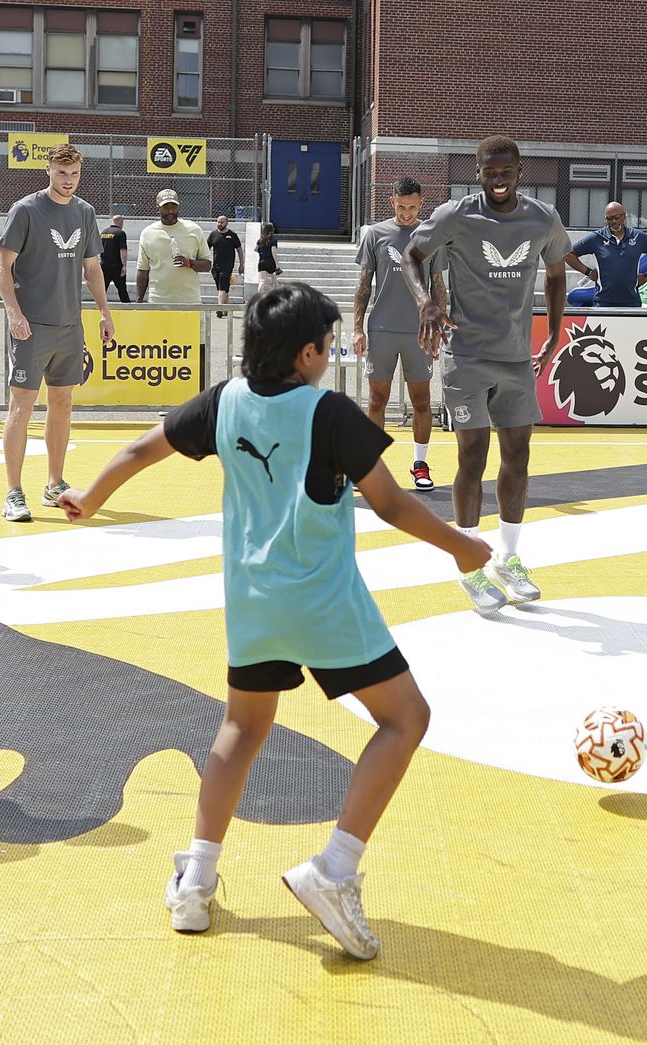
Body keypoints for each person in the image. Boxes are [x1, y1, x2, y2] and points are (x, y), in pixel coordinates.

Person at [58, 282, 492, 957]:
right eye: (329, 343)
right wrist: (461, 545)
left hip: (254, 602)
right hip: (323, 602)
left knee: (241, 728)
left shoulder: (224, 403)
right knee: (406, 719)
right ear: (310, 352)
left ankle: (196, 881)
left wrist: (89, 494)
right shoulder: (330, 412)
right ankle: (335, 868)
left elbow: (143, 449)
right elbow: (391, 503)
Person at [403, 136, 571, 616]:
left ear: (520, 171)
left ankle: (510, 559)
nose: (498, 180)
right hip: (467, 356)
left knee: (518, 454)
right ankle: (469, 561)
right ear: (477, 172)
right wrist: (426, 302)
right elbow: (410, 257)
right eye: (489, 172)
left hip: (516, 356)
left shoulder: (542, 218)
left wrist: (554, 331)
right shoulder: (456, 215)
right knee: (472, 455)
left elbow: (555, 272)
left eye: (506, 172)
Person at [0, 142, 114, 523]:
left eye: (74, 173)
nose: (68, 181)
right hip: (31, 326)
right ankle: (13, 492)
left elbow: (92, 269)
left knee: (62, 404)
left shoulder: (85, 212)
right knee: (22, 407)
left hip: (70, 326)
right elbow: (1, 267)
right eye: (62, 173)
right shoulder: (26, 210)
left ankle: (54, 483)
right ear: (48, 171)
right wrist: (14, 313)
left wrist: (105, 312)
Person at [355, 177, 447, 491]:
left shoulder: (431, 235)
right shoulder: (376, 234)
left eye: (413, 206)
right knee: (377, 401)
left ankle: (420, 465)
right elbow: (364, 285)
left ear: (421, 203)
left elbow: (438, 286)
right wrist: (357, 329)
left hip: (419, 333)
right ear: (392, 201)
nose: (407, 213)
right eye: (401, 206)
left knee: (421, 401)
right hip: (381, 330)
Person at [565, 202, 647, 308]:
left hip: (632, 303)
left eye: (617, 217)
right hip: (603, 303)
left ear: (624, 216)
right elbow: (568, 254)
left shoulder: (638, 237)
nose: (614, 221)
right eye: (609, 218)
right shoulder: (596, 238)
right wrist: (588, 272)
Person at [137, 190, 211, 306]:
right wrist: (138, 302)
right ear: (158, 208)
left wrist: (189, 263)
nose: (170, 211)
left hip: (190, 301)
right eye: (166, 206)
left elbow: (207, 265)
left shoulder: (194, 230)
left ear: (178, 207)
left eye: (174, 206)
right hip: (158, 301)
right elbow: (142, 270)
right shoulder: (148, 233)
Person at [206, 215, 245, 317]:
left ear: (227, 223)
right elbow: (206, 249)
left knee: (222, 288)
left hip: (227, 266)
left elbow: (239, 250)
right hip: (216, 266)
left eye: (222, 222)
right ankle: (226, 309)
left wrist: (241, 264)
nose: (220, 224)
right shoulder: (213, 235)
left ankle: (219, 308)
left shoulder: (232, 235)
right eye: (218, 222)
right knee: (223, 288)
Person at [99, 215, 130, 303]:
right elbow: (123, 250)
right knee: (122, 289)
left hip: (104, 264)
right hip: (116, 265)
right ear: (121, 222)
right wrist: (124, 265)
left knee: (102, 289)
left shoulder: (104, 232)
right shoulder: (120, 233)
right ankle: (128, 308)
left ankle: (99, 307)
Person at [254, 223, 280, 293]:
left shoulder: (260, 239)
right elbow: (273, 251)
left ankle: (258, 297)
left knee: (262, 281)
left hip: (262, 261)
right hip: (270, 261)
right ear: (272, 230)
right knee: (274, 281)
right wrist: (277, 264)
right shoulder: (273, 239)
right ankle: (277, 296)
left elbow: (255, 249)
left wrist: (262, 251)